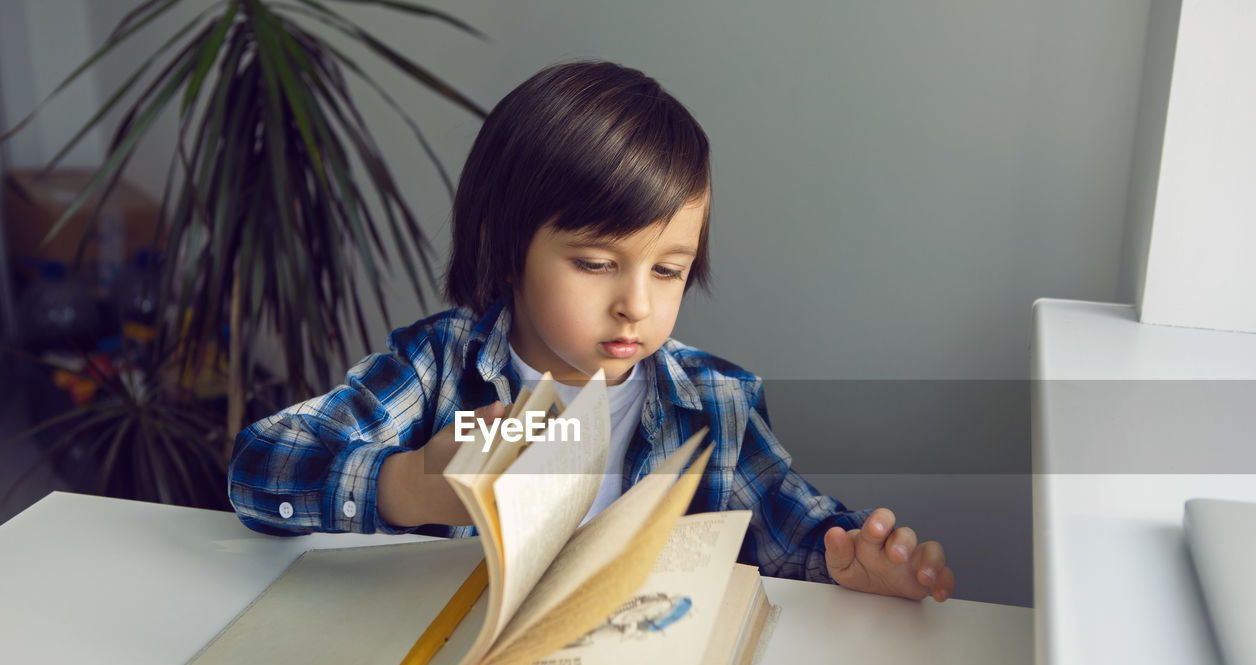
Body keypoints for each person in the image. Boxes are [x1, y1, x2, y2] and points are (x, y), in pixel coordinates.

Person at [228, 61, 955, 603]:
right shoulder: (438, 368)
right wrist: (411, 485)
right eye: (598, 263)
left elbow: (790, 525)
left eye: (668, 271)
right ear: (505, 244)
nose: (635, 304)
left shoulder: (715, 402)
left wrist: (849, 558)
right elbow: (257, 467)